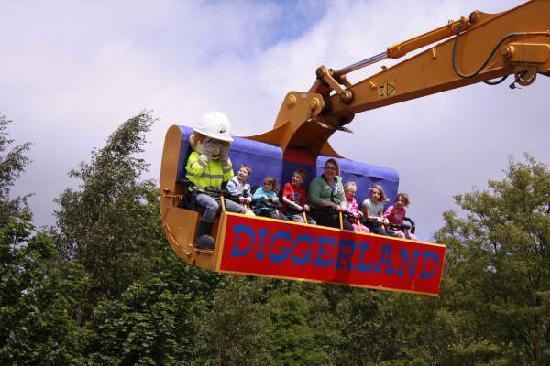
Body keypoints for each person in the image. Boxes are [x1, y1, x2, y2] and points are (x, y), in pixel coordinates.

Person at [185, 111, 246, 250]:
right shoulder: (195, 156)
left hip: (217, 195)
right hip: (199, 194)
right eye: (212, 143)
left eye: (220, 144)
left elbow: (229, 178)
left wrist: (225, 159)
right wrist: (206, 155)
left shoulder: (220, 161)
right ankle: (202, 237)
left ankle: (231, 239)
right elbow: (194, 171)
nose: (216, 148)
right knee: (212, 206)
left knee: (239, 209)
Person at [308, 158, 354, 230]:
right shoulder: (317, 181)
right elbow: (314, 199)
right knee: (334, 224)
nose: (329, 170)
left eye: (332, 168)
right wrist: (332, 204)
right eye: (327, 168)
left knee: (349, 228)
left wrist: (343, 207)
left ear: (336, 171)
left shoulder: (339, 184)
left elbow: (342, 199)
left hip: (336, 213)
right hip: (319, 212)